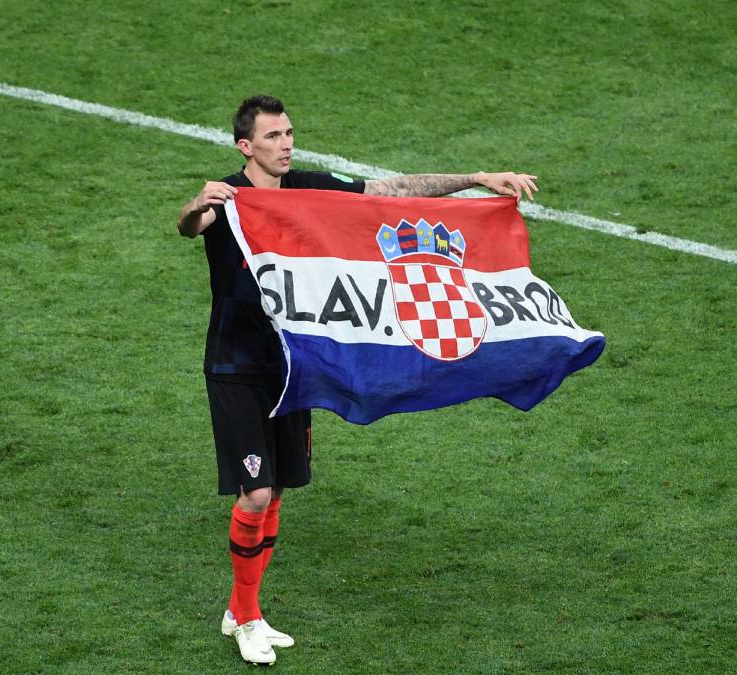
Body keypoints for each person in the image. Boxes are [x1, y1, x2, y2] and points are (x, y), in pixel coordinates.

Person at [178, 94, 538, 665]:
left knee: (279, 489)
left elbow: (388, 191)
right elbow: (190, 227)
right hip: (235, 367)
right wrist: (197, 204)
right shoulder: (229, 198)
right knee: (257, 492)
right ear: (246, 146)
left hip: (294, 364)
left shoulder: (309, 187)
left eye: (289, 133)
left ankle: (241, 608)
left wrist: (475, 179)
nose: (286, 144)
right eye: (273, 137)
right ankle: (247, 618)